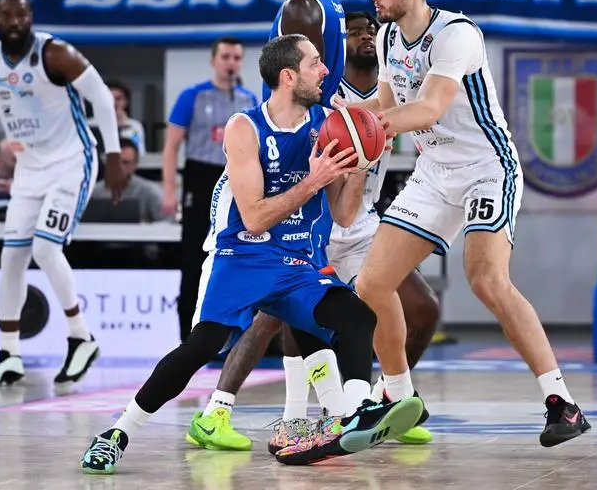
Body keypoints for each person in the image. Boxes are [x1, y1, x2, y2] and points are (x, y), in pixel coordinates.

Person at [80, 34, 424, 474]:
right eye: (315, 63)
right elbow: (256, 217)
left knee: (357, 317)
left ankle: (355, 415)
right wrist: (314, 180)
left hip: (296, 260)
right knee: (201, 346)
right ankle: (118, 432)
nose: (325, 71)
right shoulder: (245, 128)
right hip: (241, 254)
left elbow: (342, 215)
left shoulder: (327, 123)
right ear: (288, 76)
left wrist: (357, 166)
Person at [351, 0, 591, 450]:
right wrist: (343, 109)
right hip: (435, 173)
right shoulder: (389, 37)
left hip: (487, 167)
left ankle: (561, 404)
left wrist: (366, 124)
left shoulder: (457, 33)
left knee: (486, 279)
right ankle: (398, 397)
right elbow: (388, 109)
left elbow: (431, 106)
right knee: (372, 283)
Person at [187, 12, 440, 452]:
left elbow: (427, 114)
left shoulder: (396, 90)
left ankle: (387, 399)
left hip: (359, 220)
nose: (363, 37)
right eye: (354, 32)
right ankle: (232, 411)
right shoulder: (321, 93)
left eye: (370, 32)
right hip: (304, 224)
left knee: (421, 310)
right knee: (275, 317)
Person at [184, 0, 354, 454]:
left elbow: (301, 91)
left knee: (287, 295)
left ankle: (322, 411)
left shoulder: (299, 8)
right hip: (288, 164)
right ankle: (328, 410)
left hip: (285, 159)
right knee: (282, 297)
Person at [0, 0, 128, 387]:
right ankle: (8, 353)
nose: (15, 23)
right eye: (7, 17)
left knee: (45, 248)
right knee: (11, 259)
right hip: (29, 168)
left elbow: (101, 97)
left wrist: (114, 156)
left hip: (72, 161)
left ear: (30, 17)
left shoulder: (55, 53)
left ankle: (81, 337)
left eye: (22, 16)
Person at [162, 36, 257, 342]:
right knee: (193, 259)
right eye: (226, 57)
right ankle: (186, 337)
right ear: (214, 60)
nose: (231, 63)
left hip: (237, 178)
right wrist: (168, 189)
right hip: (200, 177)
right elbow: (171, 145)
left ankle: (236, 337)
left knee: (242, 254)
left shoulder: (248, 99)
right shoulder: (193, 96)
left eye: (236, 58)